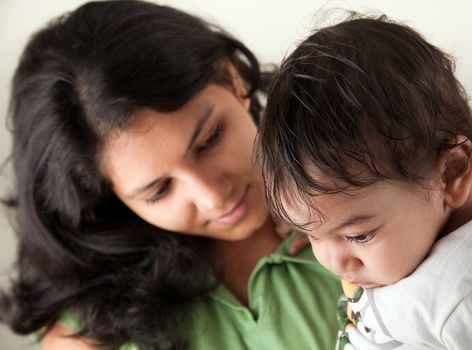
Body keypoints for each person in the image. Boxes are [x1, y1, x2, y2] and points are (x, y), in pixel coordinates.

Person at [0, 1, 342, 349]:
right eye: (159, 191)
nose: (213, 196)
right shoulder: (92, 338)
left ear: (232, 78)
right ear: (111, 198)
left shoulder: (366, 191)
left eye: (210, 139)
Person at [257, 13, 472, 350]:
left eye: (359, 235)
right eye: (308, 234)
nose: (332, 262)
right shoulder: (461, 183)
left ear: (452, 173)